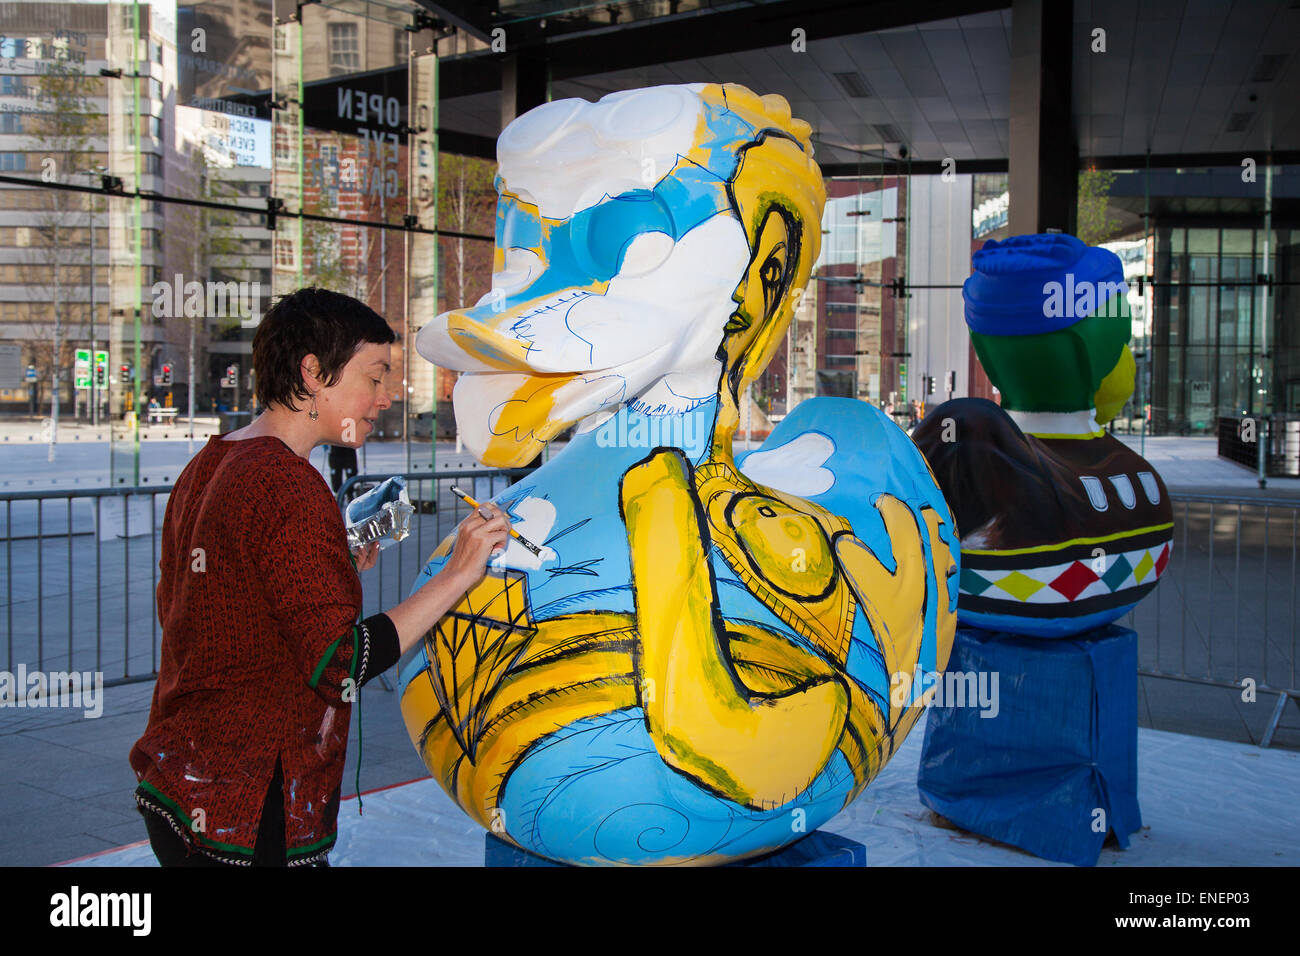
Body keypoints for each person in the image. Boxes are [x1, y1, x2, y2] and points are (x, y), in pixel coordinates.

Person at [129, 288, 512, 867]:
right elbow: (341, 663)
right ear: (313, 372)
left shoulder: (213, 460)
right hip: (247, 809)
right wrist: (459, 573)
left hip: (182, 784)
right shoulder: (288, 482)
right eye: (375, 376)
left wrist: (323, 566)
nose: (385, 397)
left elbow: (209, 603)